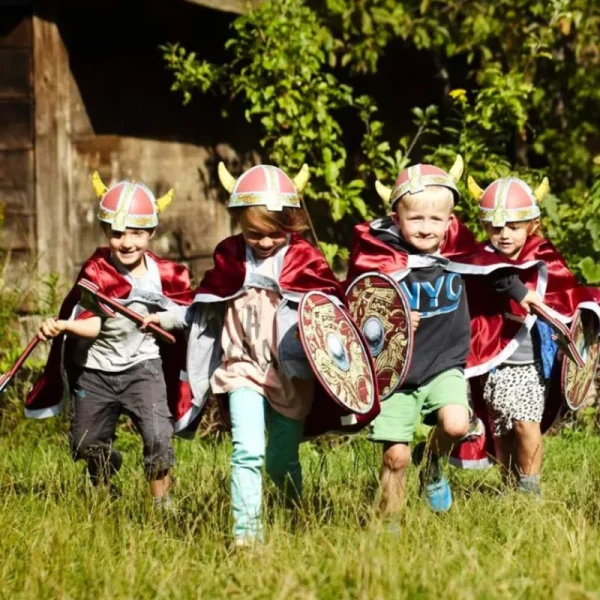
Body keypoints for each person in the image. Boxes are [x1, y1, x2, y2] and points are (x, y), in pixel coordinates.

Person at [144, 162, 346, 546]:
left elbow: (331, 313)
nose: (266, 242)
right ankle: (246, 537)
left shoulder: (305, 260)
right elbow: (204, 304)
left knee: (280, 463)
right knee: (248, 451)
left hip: (291, 375)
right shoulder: (229, 256)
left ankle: (294, 518)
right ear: (238, 222)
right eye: (256, 233)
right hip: (241, 368)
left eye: (276, 234)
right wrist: (164, 318)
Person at [345, 158, 542, 515]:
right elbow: (362, 306)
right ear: (396, 219)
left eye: (435, 219)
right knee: (395, 456)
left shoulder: (457, 251)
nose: (425, 228)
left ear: (449, 221)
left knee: (456, 423)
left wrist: (519, 291)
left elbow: (491, 268)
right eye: (415, 219)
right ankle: (389, 529)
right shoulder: (381, 257)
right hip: (397, 373)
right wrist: (395, 319)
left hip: (443, 364)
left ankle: (434, 463)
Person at [26, 174, 194, 508]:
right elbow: (92, 326)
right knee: (85, 443)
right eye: (118, 233)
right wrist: (62, 325)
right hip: (96, 370)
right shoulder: (97, 273)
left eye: (137, 233)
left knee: (158, 435)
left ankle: (162, 506)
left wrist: (170, 319)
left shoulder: (165, 276)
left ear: (151, 233)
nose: (127, 242)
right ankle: (104, 475)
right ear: (106, 232)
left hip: (143, 367)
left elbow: (186, 314)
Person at [456, 175, 600, 496]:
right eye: (496, 227)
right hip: (492, 359)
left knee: (525, 424)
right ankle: (509, 489)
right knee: (502, 428)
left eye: (513, 226)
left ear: (531, 225)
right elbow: (497, 277)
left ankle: (530, 490)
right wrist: (520, 291)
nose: (504, 234)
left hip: (530, 361)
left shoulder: (543, 256)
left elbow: (566, 297)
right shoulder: (481, 258)